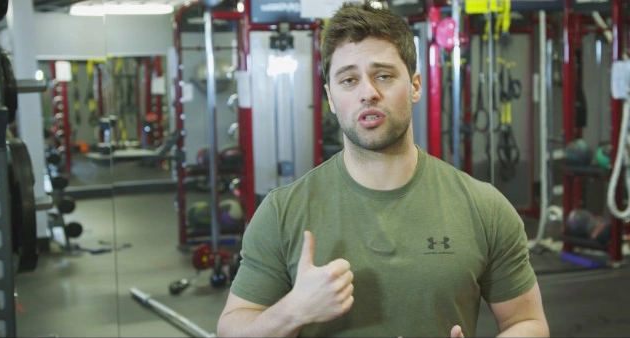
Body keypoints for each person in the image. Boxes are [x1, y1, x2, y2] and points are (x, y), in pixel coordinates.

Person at [217, 2, 549, 337]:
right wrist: (293, 310)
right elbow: (231, 330)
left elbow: (527, 322)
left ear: (416, 86)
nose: (368, 93)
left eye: (384, 76)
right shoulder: (281, 213)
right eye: (349, 80)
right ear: (331, 98)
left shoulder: (484, 208)